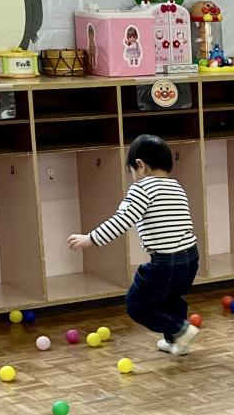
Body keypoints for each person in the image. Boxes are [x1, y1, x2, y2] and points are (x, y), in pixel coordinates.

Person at [68, 134, 200, 355]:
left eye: (131, 172)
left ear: (140, 165)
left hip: (166, 263)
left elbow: (122, 220)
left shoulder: (142, 188)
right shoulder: (175, 186)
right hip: (191, 259)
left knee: (137, 305)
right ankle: (177, 341)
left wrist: (90, 238)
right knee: (170, 298)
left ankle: (180, 330)